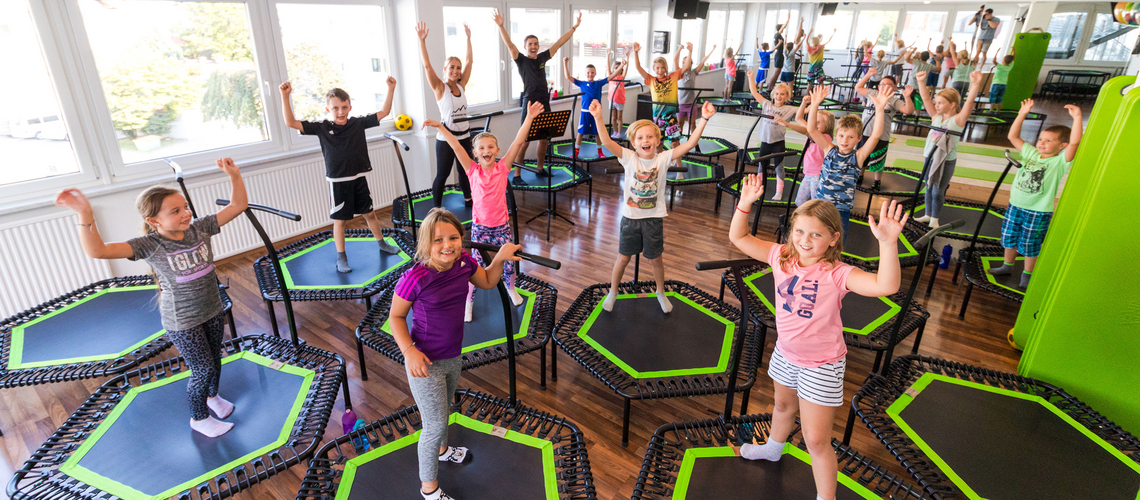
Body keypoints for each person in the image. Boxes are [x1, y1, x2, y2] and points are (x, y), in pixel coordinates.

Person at [729, 184, 908, 500]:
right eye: (799, 231)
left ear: (833, 238)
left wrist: (888, 243)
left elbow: (886, 285)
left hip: (821, 365)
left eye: (815, 234)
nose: (805, 240)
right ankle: (773, 448)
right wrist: (744, 204)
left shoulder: (837, 273)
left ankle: (826, 497)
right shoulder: (781, 256)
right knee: (782, 406)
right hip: (786, 353)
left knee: (816, 440)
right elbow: (739, 237)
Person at [55, 158, 249, 438]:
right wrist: (85, 214)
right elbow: (98, 251)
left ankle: (212, 396)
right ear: (153, 221)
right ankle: (199, 418)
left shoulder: (200, 228)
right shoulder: (150, 244)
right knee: (202, 368)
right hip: (183, 320)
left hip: (212, 308)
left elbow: (238, 206)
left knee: (215, 359)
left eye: (185, 207)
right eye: (175, 211)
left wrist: (234, 175)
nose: (186, 213)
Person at [389, 208, 521, 500]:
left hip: (452, 354)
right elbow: (395, 317)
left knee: (445, 408)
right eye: (438, 240)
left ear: (462, 239)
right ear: (426, 243)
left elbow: (487, 281)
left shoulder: (464, 263)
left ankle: (442, 450)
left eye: (453, 238)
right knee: (434, 424)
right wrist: (409, 352)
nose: (447, 245)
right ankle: (429, 489)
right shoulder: (416, 277)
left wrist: (499, 258)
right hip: (425, 362)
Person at [588, 99, 718, 314]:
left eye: (649, 137)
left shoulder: (664, 158)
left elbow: (689, 144)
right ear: (633, 143)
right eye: (640, 138)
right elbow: (608, 142)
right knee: (623, 258)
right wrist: (598, 117)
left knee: (656, 260)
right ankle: (613, 292)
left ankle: (660, 292)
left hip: (653, 220)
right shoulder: (628, 158)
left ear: (658, 141)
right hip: (630, 219)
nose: (645, 140)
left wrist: (704, 118)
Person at [423, 101, 545, 319]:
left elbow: (518, 141)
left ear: (497, 151)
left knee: (509, 262)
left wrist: (529, 117)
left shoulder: (503, 168)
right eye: (481, 148)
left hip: (501, 227)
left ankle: (510, 288)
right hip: (480, 228)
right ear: (475, 153)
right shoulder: (472, 170)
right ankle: (469, 301)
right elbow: (456, 147)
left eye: (490, 147)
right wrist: (441, 127)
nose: (486, 151)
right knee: (476, 268)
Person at [280, 80, 402, 273]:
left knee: (370, 214)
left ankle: (382, 244)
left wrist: (391, 89)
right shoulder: (322, 127)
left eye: (344, 107)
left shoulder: (357, 124)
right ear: (328, 109)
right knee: (340, 221)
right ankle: (341, 257)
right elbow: (290, 123)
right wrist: (285, 96)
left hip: (359, 178)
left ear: (350, 107)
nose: (340, 112)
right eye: (335, 108)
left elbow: (384, 111)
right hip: (338, 182)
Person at [988, 99, 1082, 288]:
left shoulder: (1059, 162)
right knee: (1009, 237)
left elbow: (1075, 143)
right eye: (1040, 139)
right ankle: (1007, 266)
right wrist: (1022, 114)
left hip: (1037, 211)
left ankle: (1027, 275)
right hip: (1015, 205)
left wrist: (1078, 117)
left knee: (1030, 244)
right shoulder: (1031, 154)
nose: (1042, 143)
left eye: (1049, 141)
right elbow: (1013, 136)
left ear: (1062, 145)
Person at [493, 9, 581, 185]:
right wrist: (501, 26)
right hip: (530, 103)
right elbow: (510, 45)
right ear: (525, 47)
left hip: (544, 102)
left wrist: (574, 27)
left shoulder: (542, 58)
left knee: (544, 139)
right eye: (530, 44)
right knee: (524, 141)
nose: (533, 46)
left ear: (538, 46)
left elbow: (559, 43)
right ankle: (517, 176)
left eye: (535, 44)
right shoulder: (521, 60)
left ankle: (540, 169)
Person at [805, 84, 890, 241]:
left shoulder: (858, 156)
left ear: (859, 139)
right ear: (837, 135)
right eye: (842, 136)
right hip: (820, 205)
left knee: (837, 243)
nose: (845, 141)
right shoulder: (829, 149)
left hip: (841, 210)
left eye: (850, 137)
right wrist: (815, 104)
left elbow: (875, 136)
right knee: (815, 239)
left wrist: (879, 109)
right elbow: (812, 130)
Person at [912, 70, 984, 228]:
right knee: (928, 187)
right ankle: (928, 214)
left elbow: (969, 103)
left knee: (938, 190)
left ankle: (935, 220)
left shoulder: (957, 120)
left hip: (945, 161)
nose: (936, 105)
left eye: (940, 103)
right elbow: (925, 98)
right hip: (930, 157)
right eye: (936, 102)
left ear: (952, 105)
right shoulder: (936, 117)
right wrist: (921, 82)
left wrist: (975, 84)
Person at [416, 21, 474, 210]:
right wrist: (422, 41)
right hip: (446, 138)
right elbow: (427, 66)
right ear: (445, 69)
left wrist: (468, 38)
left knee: (465, 171)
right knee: (443, 174)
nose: (456, 71)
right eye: (452, 67)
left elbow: (469, 62)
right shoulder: (440, 88)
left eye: (458, 68)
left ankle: (469, 200)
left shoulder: (461, 86)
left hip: (464, 136)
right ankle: (436, 209)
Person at [854, 68, 915, 191]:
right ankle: (859, 176)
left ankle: (876, 182)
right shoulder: (872, 93)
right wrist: (868, 75)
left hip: (881, 136)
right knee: (862, 157)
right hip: (865, 133)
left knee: (878, 160)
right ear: (878, 86)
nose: (885, 86)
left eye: (889, 84)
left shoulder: (894, 100)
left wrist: (907, 97)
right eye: (882, 84)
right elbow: (858, 88)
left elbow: (908, 111)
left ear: (895, 87)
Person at [745, 70, 798, 200]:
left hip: (778, 143)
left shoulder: (789, 109)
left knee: (779, 167)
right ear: (773, 95)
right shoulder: (766, 104)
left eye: (782, 94)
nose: (779, 96)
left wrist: (814, 102)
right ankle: (759, 186)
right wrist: (751, 77)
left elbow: (805, 110)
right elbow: (754, 92)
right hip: (765, 142)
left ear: (787, 96)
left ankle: (779, 192)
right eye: (777, 94)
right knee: (762, 165)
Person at [775, 94, 835, 207]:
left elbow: (807, 131)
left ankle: (814, 218)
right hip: (808, 174)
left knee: (816, 204)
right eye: (814, 121)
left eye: (819, 122)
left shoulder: (826, 138)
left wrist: (787, 124)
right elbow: (798, 118)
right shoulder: (812, 130)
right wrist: (804, 103)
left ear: (827, 126)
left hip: (818, 176)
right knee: (799, 202)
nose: (815, 124)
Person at [630, 41, 684, 160]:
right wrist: (635, 52)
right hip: (658, 117)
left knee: (674, 144)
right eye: (657, 68)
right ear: (654, 69)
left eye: (662, 67)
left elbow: (685, 68)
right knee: (658, 144)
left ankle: (679, 168)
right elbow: (638, 67)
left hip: (671, 116)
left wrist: (689, 51)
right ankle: (658, 166)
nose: (660, 70)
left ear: (665, 68)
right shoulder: (651, 80)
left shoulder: (672, 77)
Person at [564, 57, 624, 157]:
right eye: (588, 73)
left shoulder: (598, 83)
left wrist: (622, 65)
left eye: (592, 72)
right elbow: (568, 77)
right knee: (580, 133)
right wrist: (565, 63)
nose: (590, 74)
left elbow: (612, 76)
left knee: (597, 133)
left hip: (596, 113)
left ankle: (600, 152)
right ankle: (576, 152)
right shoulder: (582, 83)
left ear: (595, 73)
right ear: (585, 73)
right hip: (585, 112)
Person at [676, 42, 716, 135]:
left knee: (692, 124)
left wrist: (712, 50)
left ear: (690, 64)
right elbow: (675, 60)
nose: (684, 64)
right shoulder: (679, 73)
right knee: (680, 124)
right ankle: (678, 142)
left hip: (691, 104)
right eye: (683, 62)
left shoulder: (693, 73)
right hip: (680, 104)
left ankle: (694, 141)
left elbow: (703, 61)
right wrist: (680, 49)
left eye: (686, 62)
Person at [606, 50, 630, 139]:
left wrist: (627, 57)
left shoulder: (621, 77)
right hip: (611, 100)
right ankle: (615, 132)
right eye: (616, 68)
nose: (618, 70)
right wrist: (607, 55)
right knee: (613, 117)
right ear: (613, 69)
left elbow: (626, 68)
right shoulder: (611, 77)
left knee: (619, 117)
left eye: (619, 68)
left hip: (620, 100)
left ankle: (619, 133)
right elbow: (608, 67)